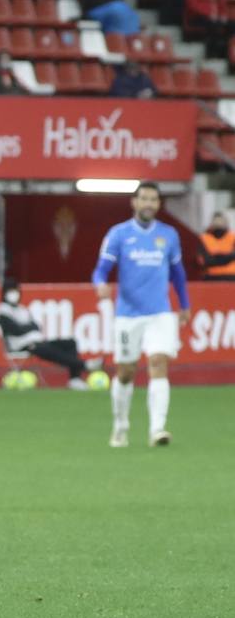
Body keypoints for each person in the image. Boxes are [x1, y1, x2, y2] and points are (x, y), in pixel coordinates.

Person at [91, 182, 190, 448]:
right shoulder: (119, 234)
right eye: (144, 199)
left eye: (153, 200)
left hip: (160, 313)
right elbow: (101, 269)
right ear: (134, 202)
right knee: (125, 371)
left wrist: (184, 304)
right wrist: (100, 283)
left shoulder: (168, 235)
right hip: (128, 315)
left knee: (158, 362)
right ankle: (121, 424)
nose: (149, 204)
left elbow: (178, 274)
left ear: (159, 204)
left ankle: (157, 428)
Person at [0, 279, 101, 390]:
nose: (14, 293)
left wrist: (26, 328)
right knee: (50, 351)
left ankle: (75, 379)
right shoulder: (2, 310)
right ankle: (84, 365)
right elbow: (15, 330)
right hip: (20, 345)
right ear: (5, 292)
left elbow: (36, 326)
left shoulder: (22, 309)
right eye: (11, 290)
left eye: (16, 290)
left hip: (36, 341)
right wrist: (28, 328)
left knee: (70, 343)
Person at [199, 212, 235, 281]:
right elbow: (204, 261)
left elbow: (206, 260)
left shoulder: (232, 238)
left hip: (230, 277)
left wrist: (216, 257)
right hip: (212, 277)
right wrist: (228, 257)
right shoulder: (204, 238)